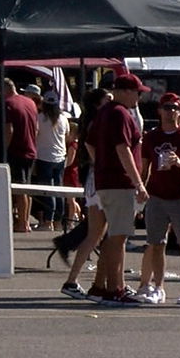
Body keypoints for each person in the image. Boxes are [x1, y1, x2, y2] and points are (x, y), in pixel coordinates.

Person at [134, 93, 180, 305]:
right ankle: (158, 287)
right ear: (159, 110)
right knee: (156, 243)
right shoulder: (151, 136)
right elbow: (144, 167)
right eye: (167, 107)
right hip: (157, 195)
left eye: (175, 108)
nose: (171, 111)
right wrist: (140, 189)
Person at [92, 74, 150, 306]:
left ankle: (100, 286)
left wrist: (100, 166)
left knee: (112, 235)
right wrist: (138, 182)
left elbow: (90, 141)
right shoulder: (120, 113)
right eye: (137, 92)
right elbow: (123, 148)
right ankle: (116, 287)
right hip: (120, 183)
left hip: (105, 181)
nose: (139, 96)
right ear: (125, 91)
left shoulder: (104, 112)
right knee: (119, 237)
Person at [57, 88, 112, 300]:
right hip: (99, 179)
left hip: (94, 179)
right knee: (101, 233)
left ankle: (96, 281)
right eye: (107, 98)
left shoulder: (92, 122)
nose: (111, 100)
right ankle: (79, 281)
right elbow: (92, 149)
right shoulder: (96, 123)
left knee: (98, 233)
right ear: (98, 103)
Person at [2, 79, 38, 233]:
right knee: (25, 187)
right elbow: (36, 128)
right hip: (30, 148)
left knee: (18, 188)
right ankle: (25, 220)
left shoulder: (8, 103)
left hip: (16, 150)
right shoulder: (30, 103)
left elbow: (8, 130)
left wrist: (4, 149)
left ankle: (22, 223)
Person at [33, 90, 69, 231]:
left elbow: (36, 135)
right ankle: (59, 221)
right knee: (59, 189)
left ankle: (48, 221)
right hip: (60, 157)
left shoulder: (40, 118)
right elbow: (66, 136)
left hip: (44, 157)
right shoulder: (63, 119)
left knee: (48, 190)